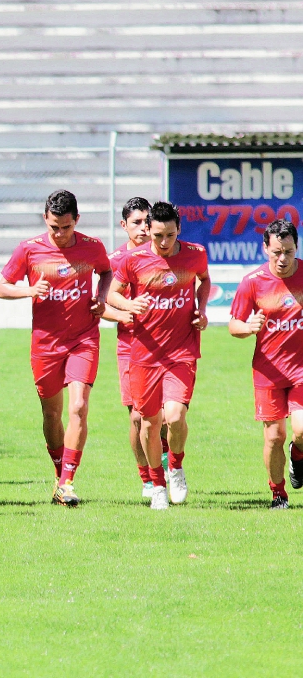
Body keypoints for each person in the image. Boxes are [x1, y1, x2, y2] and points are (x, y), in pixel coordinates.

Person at [0, 190, 112, 508]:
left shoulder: (92, 247)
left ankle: (67, 481)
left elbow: (106, 271)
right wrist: (29, 290)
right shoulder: (29, 249)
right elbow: (1, 287)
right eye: (54, 228)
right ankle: (60, 472)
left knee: (78, 408)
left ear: (77, 220)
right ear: (45, 221)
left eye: (65, 227)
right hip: (45, 343)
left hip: (83, 339)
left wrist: (101, 298)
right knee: (52, 413)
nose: (60, 234)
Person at [108, 201, 209, 510]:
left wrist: (200, 310)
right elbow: (111, 294)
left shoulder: (195, 254)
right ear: (148, 230)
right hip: (143, 354)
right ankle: (155, 484)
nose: (164, 243)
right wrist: (128, 307)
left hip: (181, 351)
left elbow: (204, 281)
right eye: (158, 236)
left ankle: (175, 467)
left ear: (179, 229)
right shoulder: (132, 260)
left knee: (175, 416)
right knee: (149, 423)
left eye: (170, 235)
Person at [229, 219, 303, 509]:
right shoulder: (253, 282)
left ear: (295, 246)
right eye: (276, 252)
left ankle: (298, 456)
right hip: (268, 372)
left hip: (300, 370)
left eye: (288, 251)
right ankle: (278, 493)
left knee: (300, 431)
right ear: (265, 249)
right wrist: (248, 328)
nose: (282, 258)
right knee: (274, 437)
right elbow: (234, 325)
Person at [106, 197, 169, 498]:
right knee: (137, 416)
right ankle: (146, 478)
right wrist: (124, 313)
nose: (143, 229)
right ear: (124, 226)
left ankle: (165, 457)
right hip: (130, 344)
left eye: (147, 222)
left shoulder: (161, 254)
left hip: (164, 344)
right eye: (136, 223)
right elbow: (99, 304)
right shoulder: (116, 260)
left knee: (167, 415)